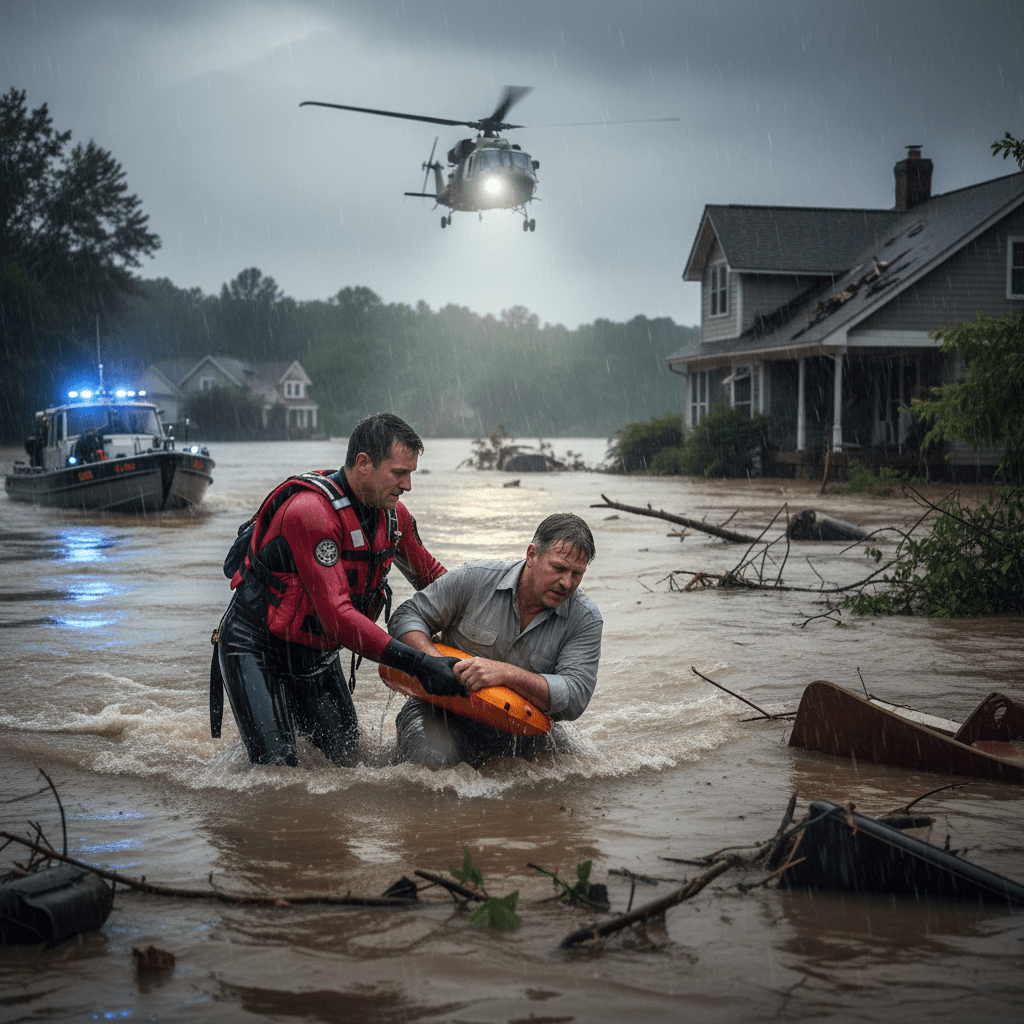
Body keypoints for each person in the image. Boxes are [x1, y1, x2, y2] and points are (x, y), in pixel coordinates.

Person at [211, 412, 466, 767]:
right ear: (363, 463)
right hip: (256, 648)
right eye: (399, 473)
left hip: (316, 655)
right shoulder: (310, 514)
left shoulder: (394, 517)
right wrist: (420, 664)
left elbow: (433, 579)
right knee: (277, 772)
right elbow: (337, 618)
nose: (408, 485)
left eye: (411, 473)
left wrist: (489, 607)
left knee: (347, 763)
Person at [388, 512, 602, 767]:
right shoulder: (474, 578)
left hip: (522, 727)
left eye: (577, 574)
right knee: (430, 769)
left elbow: (575, 696)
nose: (566, 583)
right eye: (558, 568)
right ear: (532, 555)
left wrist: (506, 674)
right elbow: (406, 616)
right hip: (442, 712)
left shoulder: (585, 619)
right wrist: (433, 662)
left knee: (585, 772)